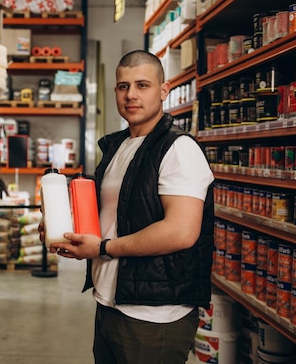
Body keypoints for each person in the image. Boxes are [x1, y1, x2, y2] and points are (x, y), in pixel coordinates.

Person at [42, 49, 214, 364]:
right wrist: (63, 228)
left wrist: (103, 247)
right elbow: (112, 216)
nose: (131, 95)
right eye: (123, 86)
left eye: (142, 85)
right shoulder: (117, 147)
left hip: (155, 314)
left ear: (164, 90)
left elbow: (181, 232)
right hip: (110, 303)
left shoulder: (179, 149)